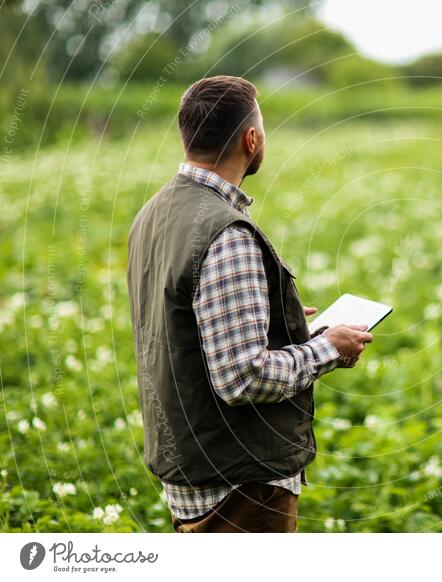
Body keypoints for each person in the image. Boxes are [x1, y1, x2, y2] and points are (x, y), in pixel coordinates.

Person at [126, 75, 373, 532]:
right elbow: (242, 377)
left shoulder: (154, 213)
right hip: (240, 482)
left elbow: (185, 320)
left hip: (194, 466)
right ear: (251, 139)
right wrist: (329, 348)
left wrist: (283, 322)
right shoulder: (226, 233)